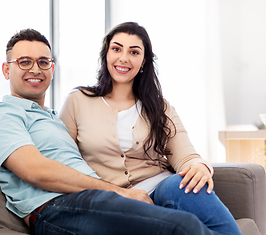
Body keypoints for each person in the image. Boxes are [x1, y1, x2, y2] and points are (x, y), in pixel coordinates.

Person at [0, 28, 221, 235]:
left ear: (52, 69)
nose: (35, 69)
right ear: (6, 70)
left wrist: (198, 164)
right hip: (57, 207)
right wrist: (119, 193)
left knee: (188, 213)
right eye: (24, 62)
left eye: (44, 62)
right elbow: (36, 171)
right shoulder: (1, 113)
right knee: (183, 227)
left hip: (92, 200)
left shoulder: (51, 118)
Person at [59, 22, 242, 235]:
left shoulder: (159, 106)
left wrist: (199, 166)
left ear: (143, 60)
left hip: (160, 187)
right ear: (106, 54)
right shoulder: (77, 101)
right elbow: (62, 159)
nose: (123, 58)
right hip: (111, 200)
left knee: (183, 185)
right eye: (116, 49)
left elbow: (185, 154)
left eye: (134, 52)